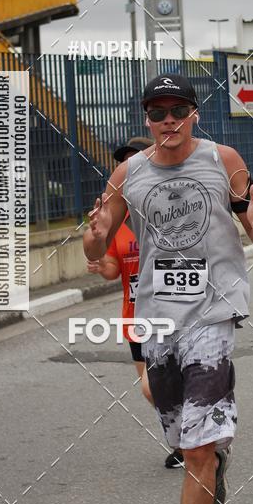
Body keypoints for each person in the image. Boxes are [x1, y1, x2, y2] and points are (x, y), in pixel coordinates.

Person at [83, 73, 253, 504]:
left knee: (194, 451)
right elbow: (97, 248)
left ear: (194, 114)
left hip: (213, 314)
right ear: (146, 117)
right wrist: (94, 234)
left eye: (178, 110)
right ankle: (213, 460)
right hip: (157, 320)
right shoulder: (129, 174)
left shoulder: (222, 160)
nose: (168, 120)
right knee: (181, 436)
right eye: (157, 112)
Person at [86, 137, 185, 470]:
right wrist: (101, 263)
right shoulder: (116, 223)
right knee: (152, 390)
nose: (129, 170)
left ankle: (192, 440)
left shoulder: (170, 211)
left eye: (136, 162)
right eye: (123, 165)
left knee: (154, 384)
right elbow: (114, 270)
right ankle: (186, 440)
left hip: (173, 313)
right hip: (135, 318)